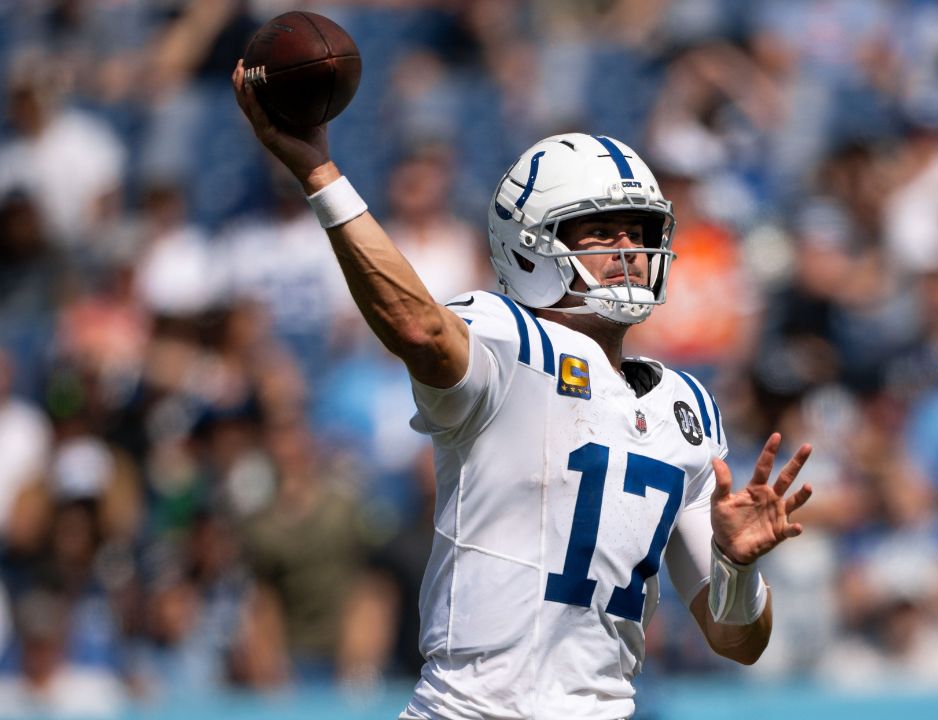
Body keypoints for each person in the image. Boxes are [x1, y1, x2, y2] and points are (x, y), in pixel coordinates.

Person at [231, 60, 814, 720]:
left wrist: (736, 569)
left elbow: (737, 641)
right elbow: (419, 329)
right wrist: (321, 177)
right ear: (531, 244)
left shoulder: (687, 408)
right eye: (600, 230)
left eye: (641, 231)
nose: (627, 248)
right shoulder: (506, 339)